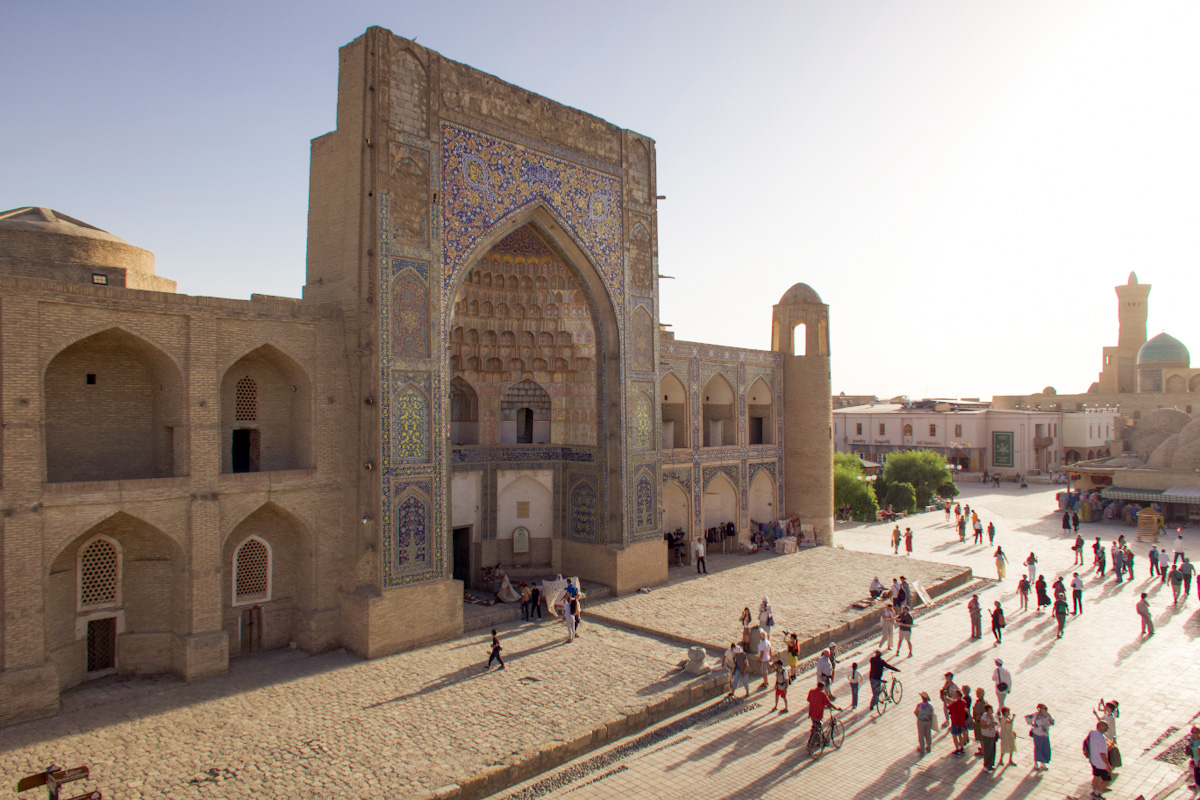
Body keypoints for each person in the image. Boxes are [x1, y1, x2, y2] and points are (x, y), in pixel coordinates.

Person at [1087, 720, 1113, 798]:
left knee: (1096, 776)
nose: (1107, 729)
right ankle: (1096, 793)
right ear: (1100, 726)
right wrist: (1108, 765)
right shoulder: (1101, 739)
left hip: (1093, 760)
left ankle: (1096, 794)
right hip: (1100, 763)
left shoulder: (1092, 733)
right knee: (1107, 779)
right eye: (1106, 727)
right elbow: (1102, 754)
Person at [1025, 703, 1055, 770]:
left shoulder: (1048, 715)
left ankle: (1042, 763)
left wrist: (1051, 723)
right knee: (1038, 748)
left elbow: (1051, 721)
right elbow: (1027, 717)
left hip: (1045, 735)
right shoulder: (1037, 715)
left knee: (1044, 748)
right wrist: (1032, 724)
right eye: (1044, 709)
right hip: (1037, 734)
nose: (1045, 710)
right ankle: (1036, 763)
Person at [915, 691, 937, 756]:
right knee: (928, 734)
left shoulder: (920, 705)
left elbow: (915, 712)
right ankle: (929, 747)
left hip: (921, 721)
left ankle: (922, 748)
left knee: (921, 735)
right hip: (928, 721)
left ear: (922, 698)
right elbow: (932, 713)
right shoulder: (930, 705)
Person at [948, 689, 970, 755]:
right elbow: (957, 702)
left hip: (955, 721)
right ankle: (962, 748)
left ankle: (957, 749)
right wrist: (949, 699)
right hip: (961, 721)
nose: (954, 695)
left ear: (957, 696)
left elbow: (948, 707)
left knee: (954, 735)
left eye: (955, 694)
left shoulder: (955, 704)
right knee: (960, 734)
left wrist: (946, 701)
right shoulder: (963, 702)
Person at [980, 704, 999, 771]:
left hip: (992, 735)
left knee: (992, 750)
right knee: (987, 750)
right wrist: (991, 724)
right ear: (987, 710)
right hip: (987, 735)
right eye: (991, 709)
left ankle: (990, 764)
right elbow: (983, 726)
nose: (992, 710)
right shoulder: (984, 717)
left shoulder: (992, 716)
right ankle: (986, 765)